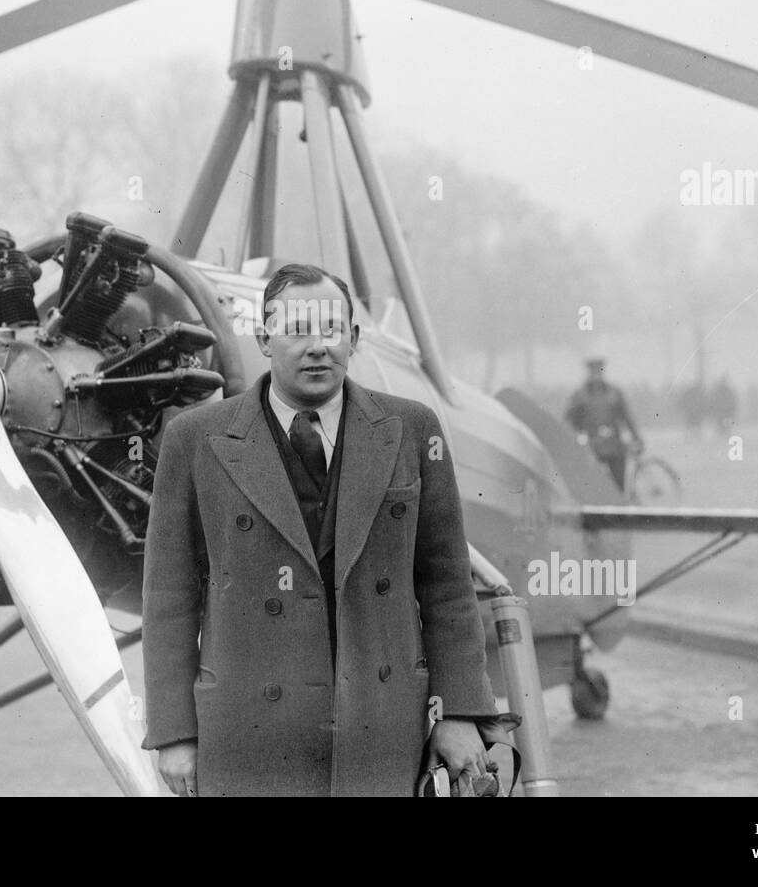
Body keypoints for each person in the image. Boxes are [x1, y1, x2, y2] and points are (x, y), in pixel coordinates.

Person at [141, 263, 498, 796]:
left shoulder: (412, 429)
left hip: (380, 732)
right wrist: (173, 734)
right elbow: (169, 597)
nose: (317, 347)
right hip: (248, 736)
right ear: (264, 338)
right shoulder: (195, 439)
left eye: (332, 330)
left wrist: (460, 712)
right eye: (297, 330)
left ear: (353, 339)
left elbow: (448, 586)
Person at [565, 357, 643, 491]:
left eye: (599, 371)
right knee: (592, 486)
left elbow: (626, 417)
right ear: (589, 373)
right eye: (593, 372)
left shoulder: (614, 393)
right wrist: (575, 439)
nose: (596, 375)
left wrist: (636, 438)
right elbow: (570, 420)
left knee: (619, 486)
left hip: (614, 446)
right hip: (592, 447)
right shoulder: (580, 396)